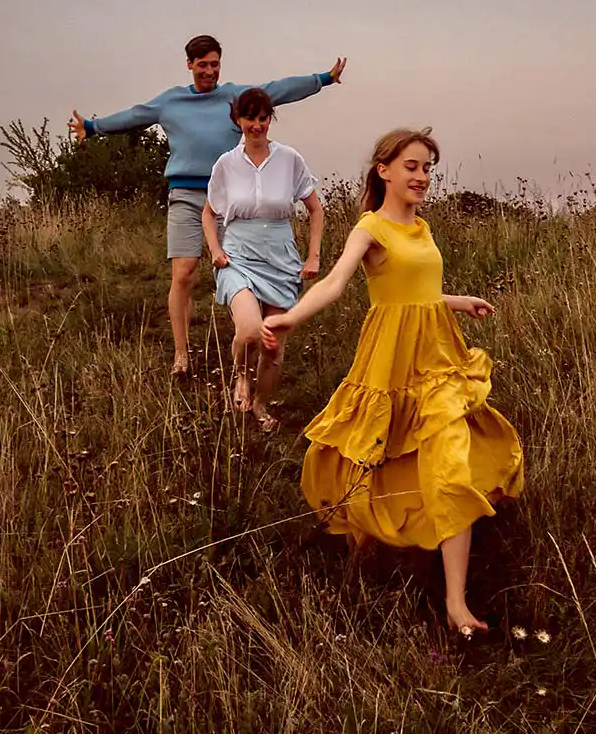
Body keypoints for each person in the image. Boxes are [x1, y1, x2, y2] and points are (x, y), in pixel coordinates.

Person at [261, 127, 524, 634]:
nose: (422, 176)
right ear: (384, 170)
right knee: (379, 450)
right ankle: (367, 539)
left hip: (439, 356)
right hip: (390, 359)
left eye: (428, 167)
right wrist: (290, 318)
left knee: (448, 460)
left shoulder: (422, 228)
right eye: (412, 166)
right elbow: (337, 284)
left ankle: (455, 602)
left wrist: (457, 300)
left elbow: (420, 290)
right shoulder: (370, 229)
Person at [69, 34, 346, 375]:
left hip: (232, 201)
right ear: (189, 65)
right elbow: (136, 115)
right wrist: (94, 127)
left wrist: (322, 79)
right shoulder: (171, 102)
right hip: (186, 194)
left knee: (239, 269)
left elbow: (276, 90)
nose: (209, 71)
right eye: (202, 65)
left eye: (214, 64)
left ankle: (246, 343)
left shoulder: (233, 96)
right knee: (184, 272)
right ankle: (182, 354)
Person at [201, 87, 324, 432]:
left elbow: (315, 209)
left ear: (270, 118)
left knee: (274, 349)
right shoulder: (226, 164)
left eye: (263, 118)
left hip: (281, 259)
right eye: (249, 118)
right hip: (239, 256)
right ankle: (240, 375)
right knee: (251, 330)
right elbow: (208, 214)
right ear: (237, 119)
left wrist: (313, 255)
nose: (257, 125)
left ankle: (260, 403)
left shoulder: (289, 159)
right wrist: (215, 250)